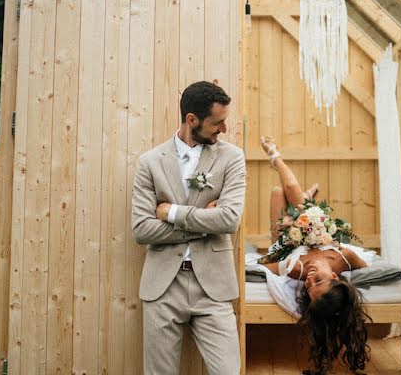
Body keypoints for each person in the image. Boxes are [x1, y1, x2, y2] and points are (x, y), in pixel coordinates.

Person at [131, 81, 246, 375]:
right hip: (162, 287)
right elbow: (142, 229)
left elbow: (229, 220)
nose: (224, 129)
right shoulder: (150, 163)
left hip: (214, 288)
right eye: (217, 122)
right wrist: (207, 223)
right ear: (191, 120)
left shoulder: (232, 158)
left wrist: (173, 213)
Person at [257, 135, 371, 374]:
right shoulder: (346, 257)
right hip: (316, 232)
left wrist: (282, 240)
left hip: (284, 242)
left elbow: (264, 265)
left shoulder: (297, 269)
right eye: (317, 280)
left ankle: (300, 192)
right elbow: (369, 272)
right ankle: (276, 157)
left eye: (308, 287)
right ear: (336, 278)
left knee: (279, 193)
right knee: (297, 202)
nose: (308, 280)